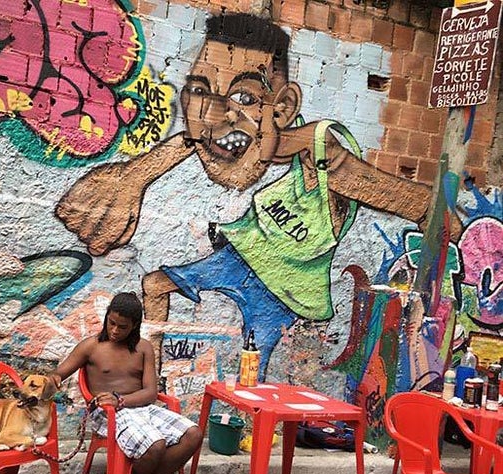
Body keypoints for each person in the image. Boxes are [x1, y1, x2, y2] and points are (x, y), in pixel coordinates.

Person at [56, 14, 462, 382]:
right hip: (238, 258)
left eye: (246, 98)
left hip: (286, 290)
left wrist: (452, 257)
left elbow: (420, 205)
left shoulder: (327, 159)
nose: (217, 116)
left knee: (253, 370)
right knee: (155, 284)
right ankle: (155, 384)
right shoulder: (234, 136)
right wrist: (133, 177)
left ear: (283, 107)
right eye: (200, 90)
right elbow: (199, 140)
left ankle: (248, 419)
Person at [51, 292, 202, 474]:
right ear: (106, 318)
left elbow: (150, 393)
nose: (114, 330)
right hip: (107, 414)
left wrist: (121, 399)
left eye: (122, 327)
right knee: (156, 445)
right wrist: (50, 381)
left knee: (194, 434)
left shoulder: (143, 348)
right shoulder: (91, 346)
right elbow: (58, 374)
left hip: (140, 407)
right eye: (111, 323)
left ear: (134, 326)